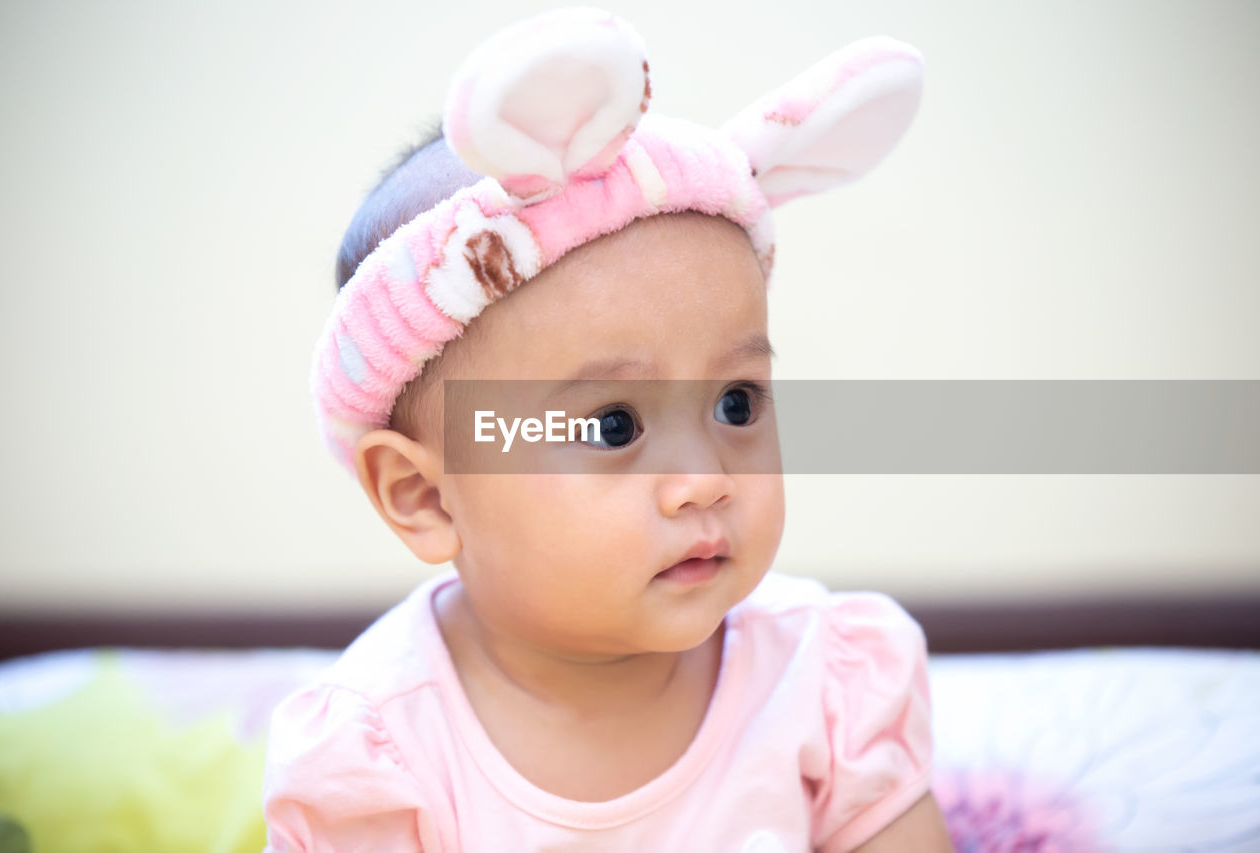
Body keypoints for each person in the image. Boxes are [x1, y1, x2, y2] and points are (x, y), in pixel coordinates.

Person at [263, 7, 953, 851]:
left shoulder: (827, 678)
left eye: (737, 403)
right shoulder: (380, 754)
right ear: (426, 494)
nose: (707, 477)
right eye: (614, 423)